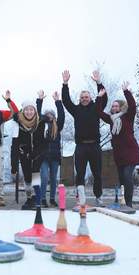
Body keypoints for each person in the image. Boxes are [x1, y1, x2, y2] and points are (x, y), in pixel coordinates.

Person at [61, 70, 107, 206]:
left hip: (94, 146)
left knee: (97, 173)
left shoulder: (96, 108)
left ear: (90, 98)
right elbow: (66, 101)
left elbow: (104, 98)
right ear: (80, 99)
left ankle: (98, 197)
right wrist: (65, 83)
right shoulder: (76, 110)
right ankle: (80, 198)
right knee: (79, 173)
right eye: (82, 97)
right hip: (81, 146)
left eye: (86, 97)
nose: (84, 99)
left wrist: (99, 83)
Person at [96, 80, 139, 210]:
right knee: (121, 179)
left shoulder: (128, 117)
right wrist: (99, 97)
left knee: (127, 176)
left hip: (131, 152)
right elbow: (98, 112)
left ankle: (129, 204)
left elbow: (132, 106)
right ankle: (122, 201)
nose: (114, 108)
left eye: (116, 106)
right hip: (119, 154)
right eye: (113, 106)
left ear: (121, 107)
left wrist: (126, 92)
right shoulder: (111, 120)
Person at [12, 93, 46, 210]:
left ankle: (37, 199)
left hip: (37, 153)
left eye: (31, 109)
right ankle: (29, 198)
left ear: (35, 111)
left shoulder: (40, 122)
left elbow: (43, 142)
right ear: (23, 111)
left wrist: (36, 153)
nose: (29, 112)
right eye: (26, 109)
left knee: (35, 174)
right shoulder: (17, 123)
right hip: (24, 153)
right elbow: (15, 145)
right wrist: (13, 166)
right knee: (27, 177)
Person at [37, 90, 65, 208]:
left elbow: (62, 115)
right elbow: (37, 113)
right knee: (44, 177)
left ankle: (52, 198)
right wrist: (40, 100)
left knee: (54, 178)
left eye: (51, 114)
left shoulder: (57, 126)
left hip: (54, 156)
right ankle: (43, 198)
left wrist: (58, 101)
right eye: (47, 114)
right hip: (43, 156)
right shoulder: (41, 124)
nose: (49, 115)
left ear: (54, 116)